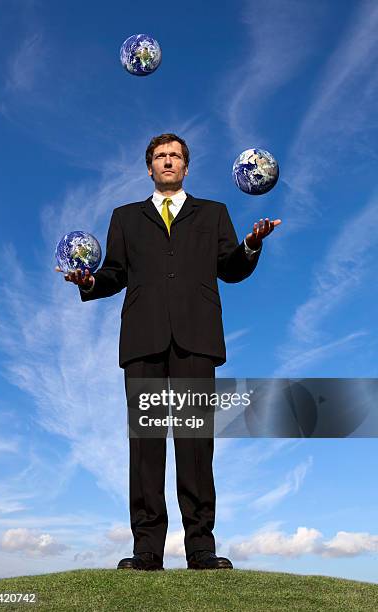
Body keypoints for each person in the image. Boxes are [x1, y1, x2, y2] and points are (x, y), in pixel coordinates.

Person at [56, 133, 281, 571]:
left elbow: (231, 268)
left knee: (196, 446)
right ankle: (146, 551)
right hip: (143, 340)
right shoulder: (125, 217)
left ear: (186, 166)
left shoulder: (213, 213)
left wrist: (252, 245)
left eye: (175, 156)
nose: (168, 162)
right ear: (149, 168)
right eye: (160, 156)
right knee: (146, 446)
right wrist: (89, 282)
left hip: (197, 338)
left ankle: (201, 548)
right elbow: (115, 273)